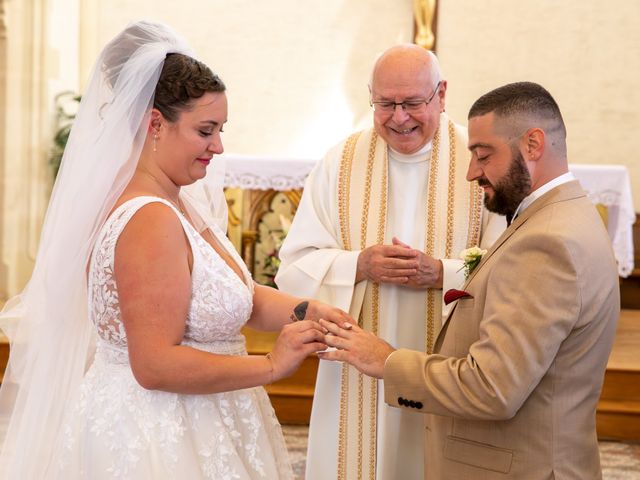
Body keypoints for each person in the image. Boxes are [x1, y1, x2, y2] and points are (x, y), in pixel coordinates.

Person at [0, 20, 351, 479]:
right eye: (206, 130)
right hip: (157, 432)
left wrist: (308, 311)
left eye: (221, 129)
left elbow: (238, 294)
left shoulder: (178, 201)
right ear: (156, 124)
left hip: (204, 418)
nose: (218, 146)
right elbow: (154, 364)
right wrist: (270, 364)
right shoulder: (149, 219)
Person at [318, 81, 620, 479]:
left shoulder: (546, 242)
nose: (471, 172)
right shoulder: (567, 216)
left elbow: (493, 389)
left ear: (533, 144)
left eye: (483, 155)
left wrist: (386, 360)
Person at [275, 44, 505, 479]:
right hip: (356, 375)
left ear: (441, 95)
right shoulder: (339, 164)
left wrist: (440, 273)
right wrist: (358, 265)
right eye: (386, 104)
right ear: (371, 98)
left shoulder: (480, 161)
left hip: (448, 363)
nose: (399, 117)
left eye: (413, 103)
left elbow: (511, 267)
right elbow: (294, 265)